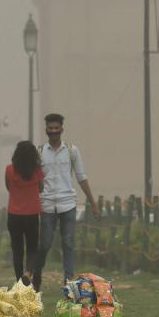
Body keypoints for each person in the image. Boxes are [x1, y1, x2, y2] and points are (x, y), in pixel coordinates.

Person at [34, 113, 99, 293]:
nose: (53, 132)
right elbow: (34, 181)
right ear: (46, 130)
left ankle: (69, 283)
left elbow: (81, 177)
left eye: (56, 129)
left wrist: (92, 203)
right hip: (47, 204)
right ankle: (36, 275)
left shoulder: (72, 151)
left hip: (68, 203)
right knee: (45, 244)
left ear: (62, 129)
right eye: (50, 129)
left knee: (68, 243)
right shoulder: (39, 152)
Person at [5, 141, 45, 287]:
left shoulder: (9, 170)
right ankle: (28, 272)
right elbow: (41, 188)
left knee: (17, 250)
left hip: (14, 215)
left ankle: (19, 282)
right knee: (32, 248)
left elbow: (8, 187)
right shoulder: (37, 171)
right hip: (32, 215)